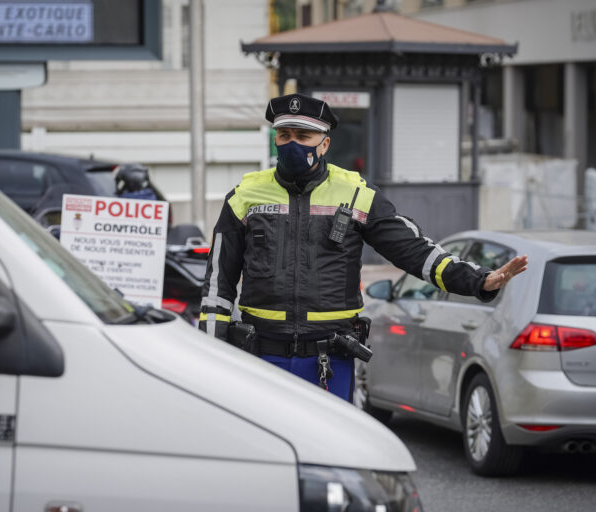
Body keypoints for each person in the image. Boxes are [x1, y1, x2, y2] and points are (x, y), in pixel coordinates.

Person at [198, 93, 527, 401]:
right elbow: (218, 284)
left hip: (328, 362)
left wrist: (477, 280)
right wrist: (211, 357)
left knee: (332, 455)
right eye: (284, 136)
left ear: (324, 144)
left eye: (303, 136)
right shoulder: (245, 195)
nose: (292, 144)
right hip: (260, 357)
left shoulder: (357, 194)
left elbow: (413, 249)